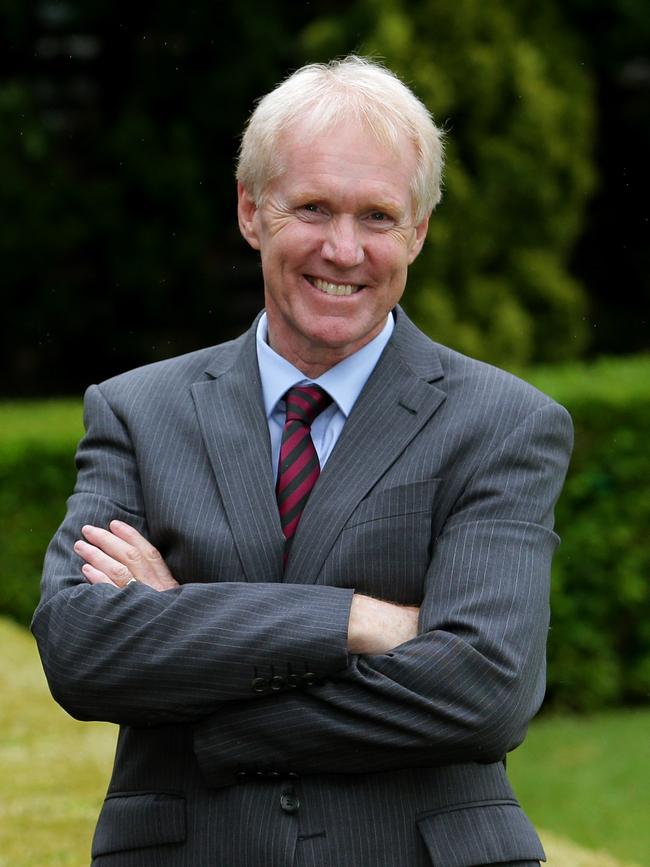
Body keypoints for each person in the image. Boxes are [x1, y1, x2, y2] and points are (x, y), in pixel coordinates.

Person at [32, 56, 572, 866]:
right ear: (252, 210)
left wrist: (203, 690)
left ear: (418, 231)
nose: (343, 249)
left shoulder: (504, 424)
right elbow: (81, 650)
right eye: (313, 207)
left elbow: (484, 692)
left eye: (378, 216)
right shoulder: (138, 412)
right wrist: (358, 621)